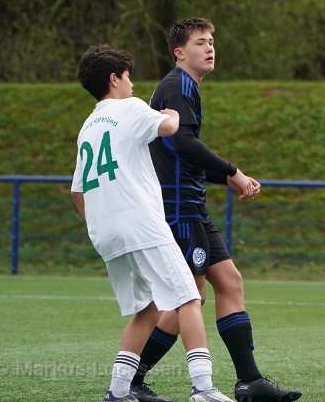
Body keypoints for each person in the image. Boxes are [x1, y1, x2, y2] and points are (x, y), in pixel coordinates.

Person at [130, 19, 301, 402]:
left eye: (211, 42)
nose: (209, 48)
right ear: (179, 53)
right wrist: (232, 171)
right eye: (200, 43)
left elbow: (180, 155)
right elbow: (183, 143)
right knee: (190, 296)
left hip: (191, 206)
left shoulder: (185, 86)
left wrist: (225, 178)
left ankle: (250, 382)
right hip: (178, 209)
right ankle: (132, 379)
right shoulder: (178, 85)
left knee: (230, 282)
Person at [70, 45, 234, 402]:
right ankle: (203, 388)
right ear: (114, 79)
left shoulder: (87, 127)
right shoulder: (130, 107)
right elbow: (169, 128)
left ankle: (118, 391)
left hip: (107, 233)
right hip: (141, 223)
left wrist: (97, 226)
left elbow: (78, 191)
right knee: (189, 297)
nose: (132, 84)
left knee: (147, 309)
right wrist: (171, 114)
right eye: (128, 77)